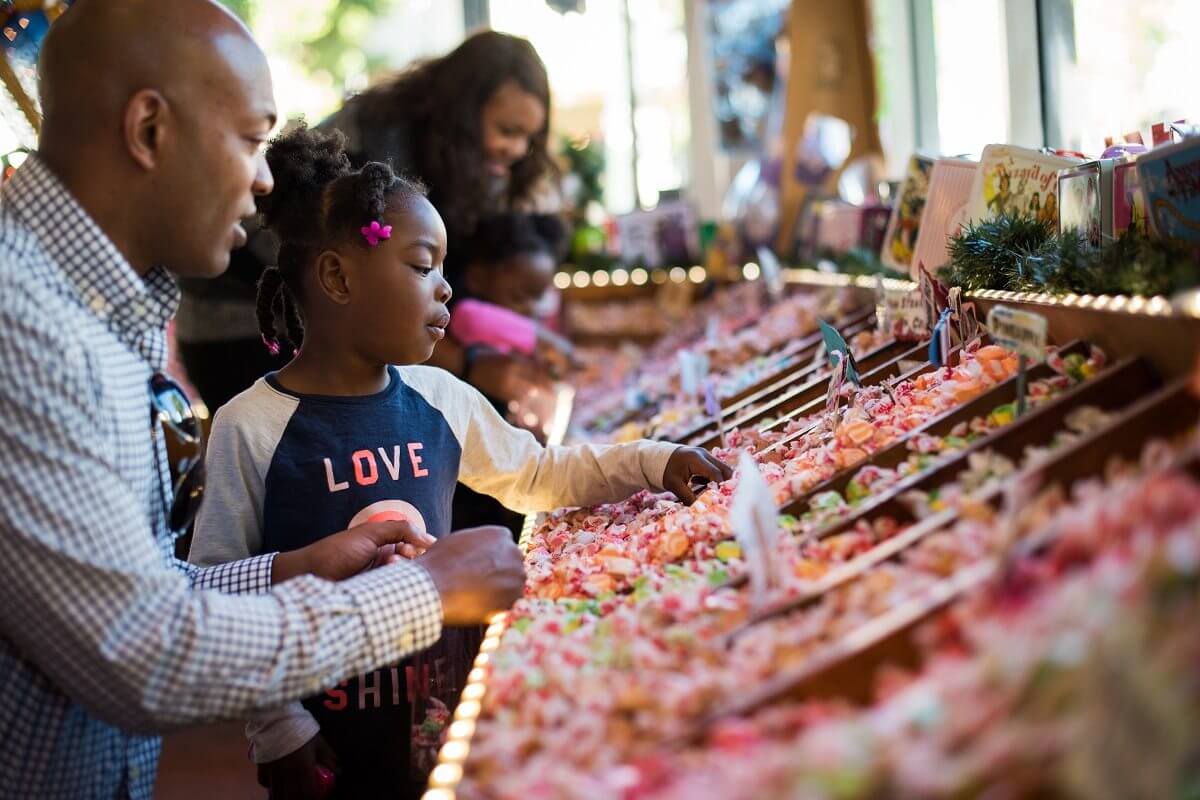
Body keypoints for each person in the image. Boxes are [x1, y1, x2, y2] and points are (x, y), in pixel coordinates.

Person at [0, 2, 526, 797]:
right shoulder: (24, 328)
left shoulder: (96, 308)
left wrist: (288, 569)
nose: (265, 179)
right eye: (250, 140)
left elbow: (124, 586)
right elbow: (145, 655)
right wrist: (422, 591)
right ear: (150, 130)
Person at [188, 124, 732, 799]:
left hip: (438, 711)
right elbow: (217, 592)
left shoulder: (440, 396)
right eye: (422, 267)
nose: (445, 290)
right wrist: (280, 729)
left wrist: (651, 461)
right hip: (324, 732)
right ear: (336, 276)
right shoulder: (250, 426)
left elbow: (538, 475)